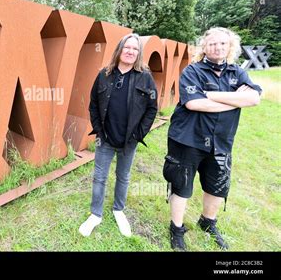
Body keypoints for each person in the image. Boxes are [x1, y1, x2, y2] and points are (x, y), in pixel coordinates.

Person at [163, 27, 262, 251]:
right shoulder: (193, 71)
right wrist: (236, 99)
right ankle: (176, 228)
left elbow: (254, 98)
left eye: (222, 44)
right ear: (204, 47)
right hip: (187, 139)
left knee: (217, 186)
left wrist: (212, 95)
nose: (217, 47)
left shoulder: (237, 73)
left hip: (221, 142)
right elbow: (193, 103)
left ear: (230, 47)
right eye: (212, 43)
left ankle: (207, 222)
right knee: (181, 184)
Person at [79, 33, 158, 237]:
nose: (131, 51)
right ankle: (95, 214)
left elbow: (151, 108)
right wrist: (98, 129)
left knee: (123, 177)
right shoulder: (104, 74)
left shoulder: (145, 77)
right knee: (99, 178)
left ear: (139, 53)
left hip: (128, 141)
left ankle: (118, 210)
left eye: (135, 49)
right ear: (119, 50)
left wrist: (139, 134)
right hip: (105, 139)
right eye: (127, 47)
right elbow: (93, 104)